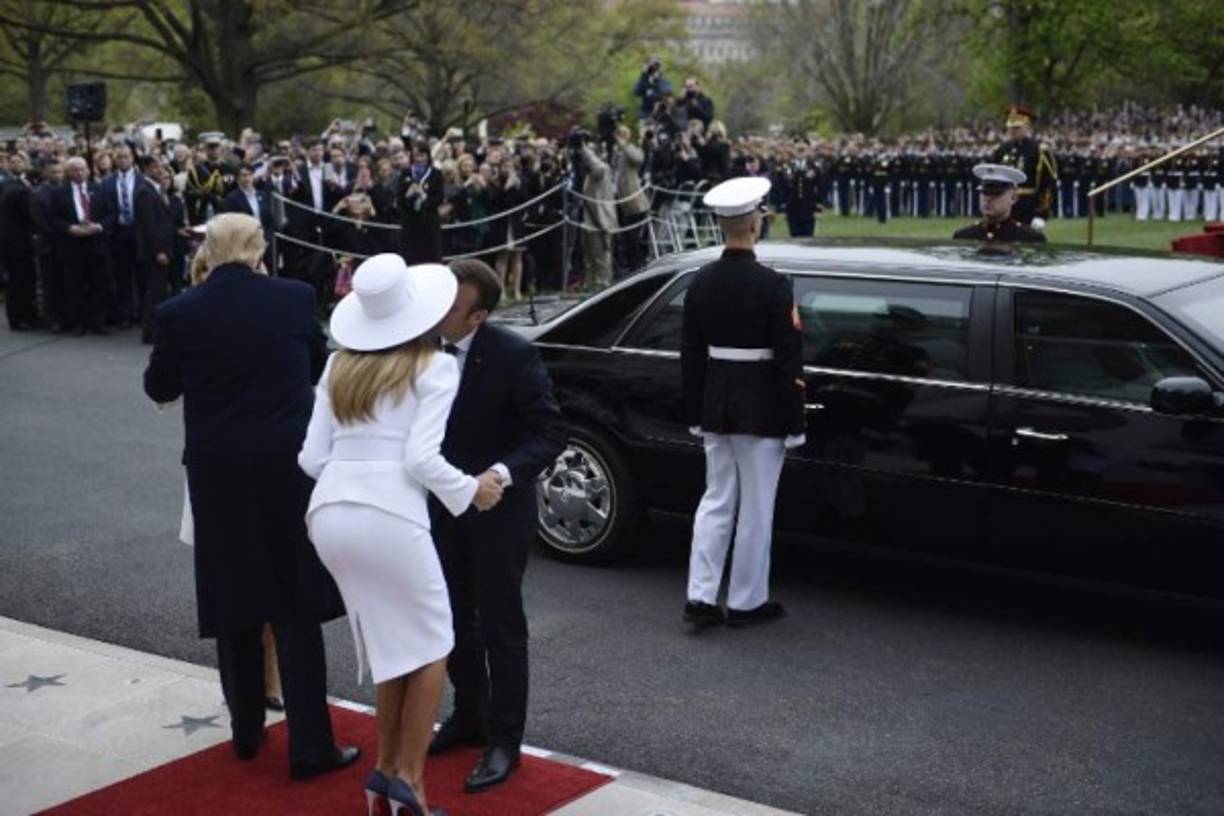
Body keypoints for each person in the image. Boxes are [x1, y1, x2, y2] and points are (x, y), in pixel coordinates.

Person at [142, 213, 359, 779]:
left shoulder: (179, 312)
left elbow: (160, 386)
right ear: (261, 249)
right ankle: (311, 746)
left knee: (233, 599)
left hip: (218, 473)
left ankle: (244, 733)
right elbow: (316, 367)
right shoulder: (293, 298)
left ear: (207, 252)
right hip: (287, 468)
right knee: (294, 607)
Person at [299, 255, 503, 816]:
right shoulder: (435, 366)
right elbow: (421, 458)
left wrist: (356, 476)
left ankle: (386, 774)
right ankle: (409, 783)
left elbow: (311, 457)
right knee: (435, 641)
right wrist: (471, 491)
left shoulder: (339, 364)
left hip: (328, 515)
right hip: (389, 516)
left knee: (394, 646)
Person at [427, 258, 566, 792]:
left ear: (479, 316)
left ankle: (505, 739)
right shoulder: (419, 348)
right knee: (454, 618)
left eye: (453, 307)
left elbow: (550, 432)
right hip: (441, 508)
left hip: (498, 509)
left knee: (502, 626)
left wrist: (501, 474)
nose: (439, 313)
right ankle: (469, 715)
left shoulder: (514, 355)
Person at [680, 177, 805, 629]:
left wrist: (694, 412)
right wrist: (795, 421)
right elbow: (788, 361)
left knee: (715, 499)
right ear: (754, 223)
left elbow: (690, 355)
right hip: (762, 408)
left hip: (716, 403)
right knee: (755, 508)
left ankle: (701, 595)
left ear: (720, 226)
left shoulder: (700, 281)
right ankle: (747, 600)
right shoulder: (774, 285)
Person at [50, 157, 109, 335]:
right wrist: (69, 228)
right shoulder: (59, 193)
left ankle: (97, 322)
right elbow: (53, 219)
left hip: (96, 242)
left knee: (98, 283)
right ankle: (78, 323)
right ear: (68, 172)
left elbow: (111, 214)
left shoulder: (99, 190)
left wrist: (98, 226)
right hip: (72, 245)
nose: (79, 173)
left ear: (88, 171)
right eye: (75, 170)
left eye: (82, 169)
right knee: (75, 285)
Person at [991, 105, 1058, 229]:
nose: (1012, 131)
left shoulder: (1039, 150)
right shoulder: (1002, 149)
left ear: (1027, 126)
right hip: (1003, 208)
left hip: (1028, 207)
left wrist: (1041, 213)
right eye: (1010, 127)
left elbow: (1048, 183)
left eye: (1017, 127)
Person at [952, 164, 1047, 244]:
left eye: (996, 193)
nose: (988, 198)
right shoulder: (964, 237)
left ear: (1013, 198)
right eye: (985, 192)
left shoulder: (1030, 238)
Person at [0, 154, 39, 330]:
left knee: (26, 280)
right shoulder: (9, 187)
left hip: (22, 240)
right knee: (18, 282)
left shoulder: (25, 184)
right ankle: (18, 318)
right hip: (14, 241)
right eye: (13, 161)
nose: (16, 164)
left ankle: (28, 315)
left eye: (20, 161)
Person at [398, 141, 444, 264]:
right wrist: (408, 194)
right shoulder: (405, 173)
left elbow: (439, 198)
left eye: (422, 155)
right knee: (410, 259)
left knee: (431, 260)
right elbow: (399, 201)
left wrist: (424, 196)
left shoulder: (436, 174)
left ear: (428, 156)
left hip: (429, 223)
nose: (418, 159)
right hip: (410, 224)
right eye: (416, 155)